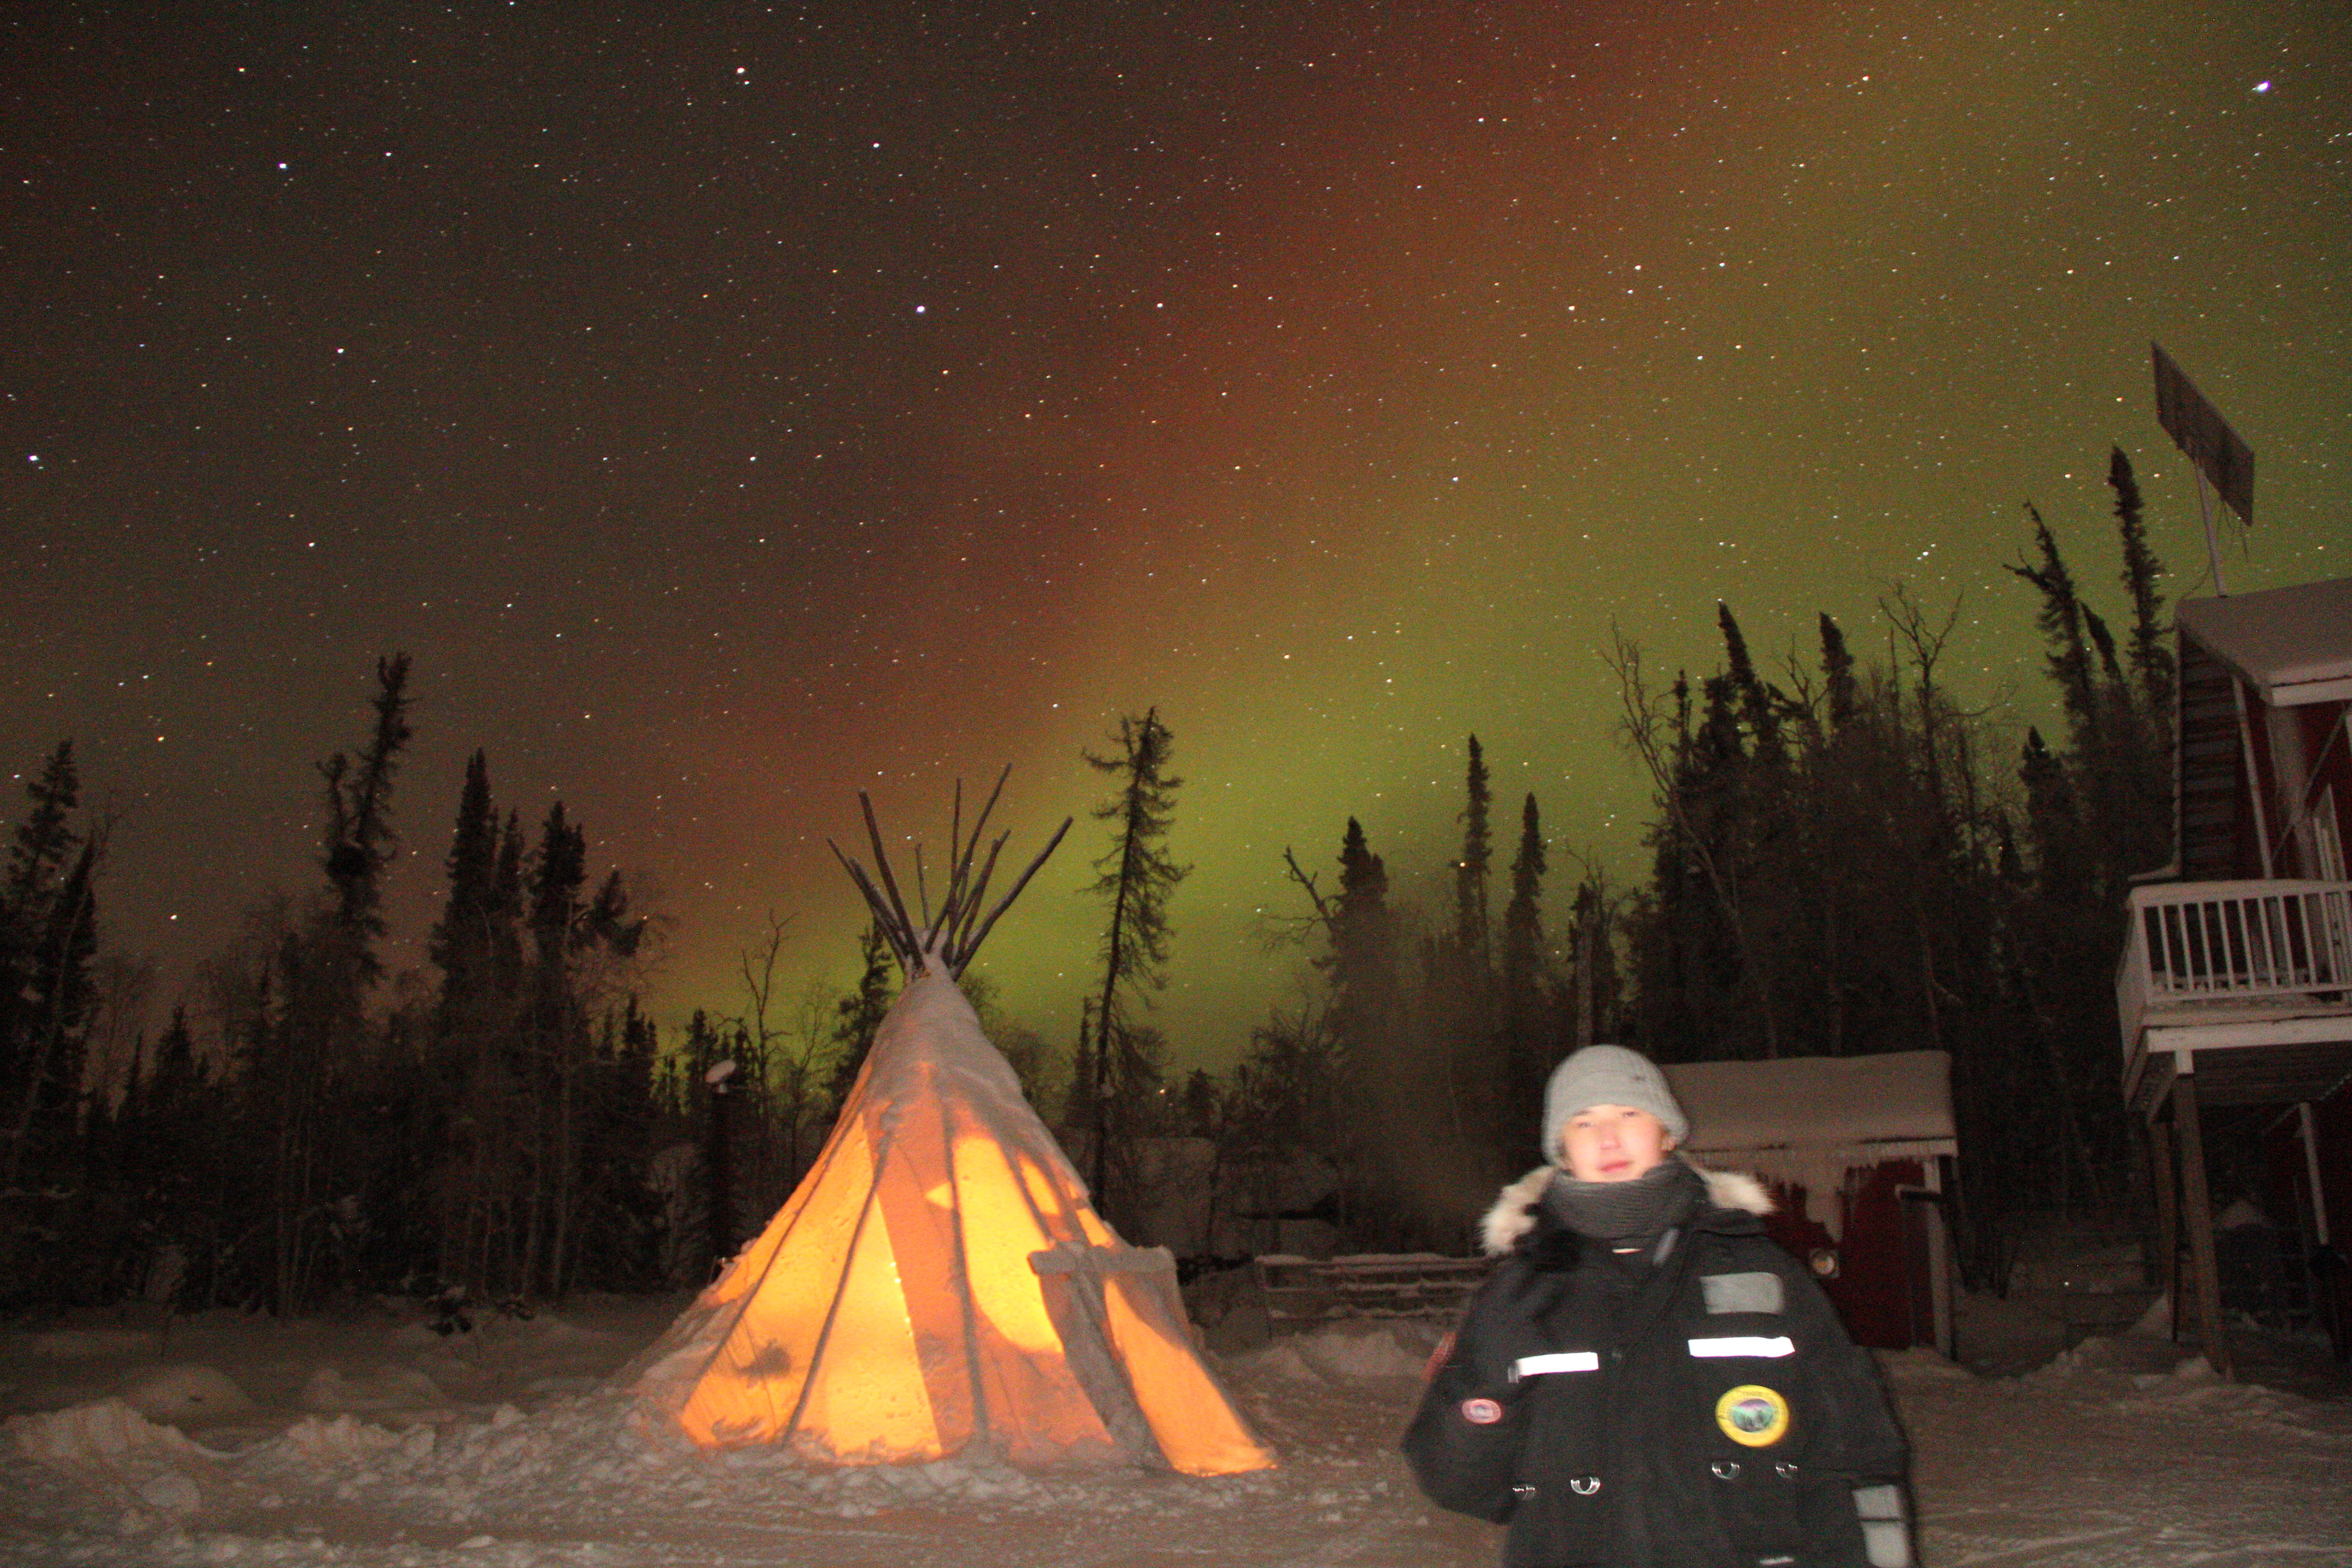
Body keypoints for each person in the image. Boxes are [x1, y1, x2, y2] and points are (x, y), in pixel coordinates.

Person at [1402, 1045, 1914, 1568]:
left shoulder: (1760, 1273)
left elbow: (1857, 1456)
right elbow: (1456, 1484)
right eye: (1583, 1123)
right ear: (1563, 1150)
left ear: (1668, 1133)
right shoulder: (1520, 1292)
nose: (1608, 1138)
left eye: (1630, 1113)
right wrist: (1485, 1390)